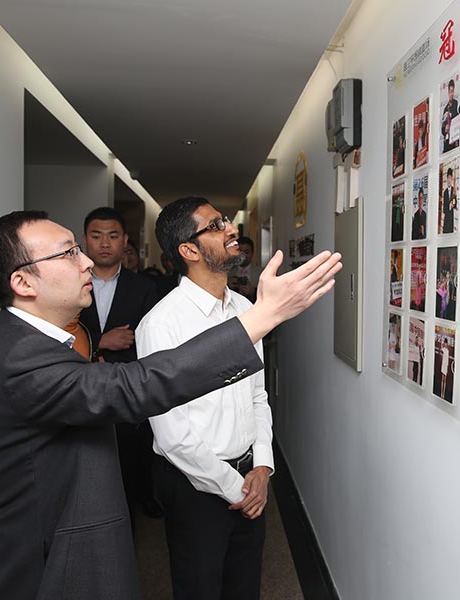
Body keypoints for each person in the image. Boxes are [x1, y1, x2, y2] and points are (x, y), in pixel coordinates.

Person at [0, 210, 341, 600]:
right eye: (69, 253)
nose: (88, 261)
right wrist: (265, 315)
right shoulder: (19, 356)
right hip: (54, 569)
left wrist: (260, 465)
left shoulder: (26, 342)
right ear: (23, 281)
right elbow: (137, 386)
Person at [137, 197, 274, 599]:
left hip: (251, 479)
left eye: (226, 221)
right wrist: (236, 489)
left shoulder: (246, 309)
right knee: (199, 588)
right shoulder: (162, 324)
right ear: (189, 250)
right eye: (216, 226)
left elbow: (258, 394)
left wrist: (262, 468)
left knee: (244, 586)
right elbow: (171, 435)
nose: (231, 229)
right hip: (195, 487)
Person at [78, 207, 161, 526]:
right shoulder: (70, 284)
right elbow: (61, 336)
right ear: (85, 240)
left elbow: (152, 343)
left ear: (125, 241)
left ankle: (138, 502)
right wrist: (101, 342)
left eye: (113, 236)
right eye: (96, 236)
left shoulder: (143, 288)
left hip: (128, 386)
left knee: (132, 454)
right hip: (82, 386)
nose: (104, 243)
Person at [228, 236, 261, 303]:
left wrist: (254, 292)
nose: (243, 255)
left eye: (246, 252)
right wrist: (227, 286)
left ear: (252, 253)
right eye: (240, 251)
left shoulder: (261, 273)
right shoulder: (227, 273)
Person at [441, 79, 460, 153]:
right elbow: (442, 129)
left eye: (453, 91)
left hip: (454, 139)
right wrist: (445, 130)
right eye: (450, 91)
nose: (451, 94)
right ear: (448, 92)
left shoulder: (456, 104)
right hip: (447, 141)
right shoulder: (445, 108)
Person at [440, 167, 457, 234]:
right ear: (446, 179)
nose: (449, 180)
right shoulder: (445, 192)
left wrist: (453, 204)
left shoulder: (454, 190)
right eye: (448, 178)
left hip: (451, 217)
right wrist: (449, 206)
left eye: (450, 178)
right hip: (446, 217)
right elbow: (444, 209)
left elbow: (455, 203)